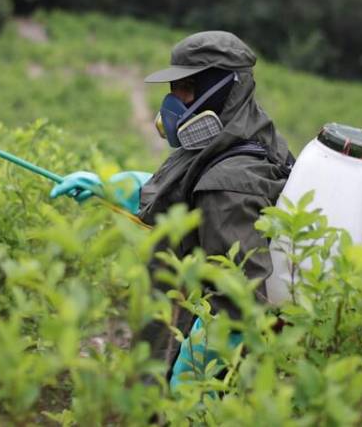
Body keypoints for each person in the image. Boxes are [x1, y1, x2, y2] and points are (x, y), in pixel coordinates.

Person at [50, 31, 294, 384]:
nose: (174, 101)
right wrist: (114, 187)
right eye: (173, 88)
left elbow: (237, 301)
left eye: (186, 88)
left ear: (222, 87)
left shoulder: (229, 183)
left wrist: (189, 377)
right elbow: (185, 195)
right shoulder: (237, 134)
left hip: (188, 359)